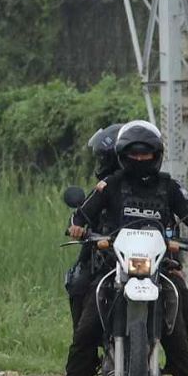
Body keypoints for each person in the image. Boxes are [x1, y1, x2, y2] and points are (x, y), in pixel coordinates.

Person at [58, 121, 188, 376]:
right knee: (86, 331)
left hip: (159, 269)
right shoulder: (110, 185)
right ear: (123, 155)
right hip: (113, 269)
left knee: (179, 337)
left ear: (157, 155)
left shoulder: (169, 187)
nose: (141, 159)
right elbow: (81, 214)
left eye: (147, 154)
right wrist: (78, 228)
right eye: (135, 154)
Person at [65, 124, 123, 327]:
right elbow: (80, 216)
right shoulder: (103, 189)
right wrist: (78, 227)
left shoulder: (158, 186)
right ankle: (84, 354)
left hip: (146, 264)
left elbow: (172, 221)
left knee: (180, 293)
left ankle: (180, 357)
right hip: (106, 259)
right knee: (78, 282)